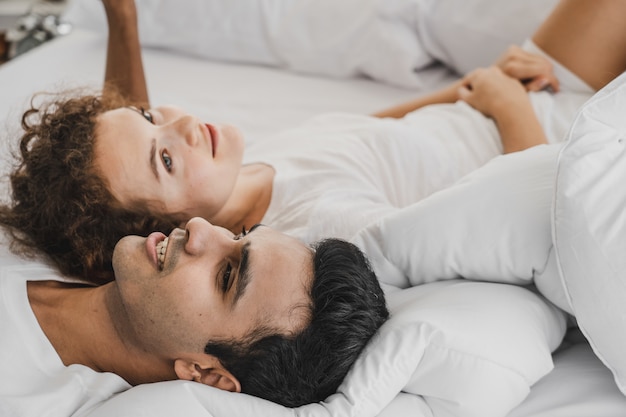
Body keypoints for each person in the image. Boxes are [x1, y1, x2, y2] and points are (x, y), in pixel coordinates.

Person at [0, 0, 615, 284]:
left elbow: (365, 132)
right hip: (559, 144)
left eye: (153, 115)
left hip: (513, 97)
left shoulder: (234, 178)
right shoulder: (320, 229)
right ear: (167, 235)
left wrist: (469, 88)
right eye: (166, 158)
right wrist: (509, 112)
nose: (184, 127)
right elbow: (528, 218)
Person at [0, 217, 389, 414]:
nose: (200, 227)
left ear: (207, 375)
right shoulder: (64, 227)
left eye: (226, 276)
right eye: (238, 234)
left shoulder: (24, 399)